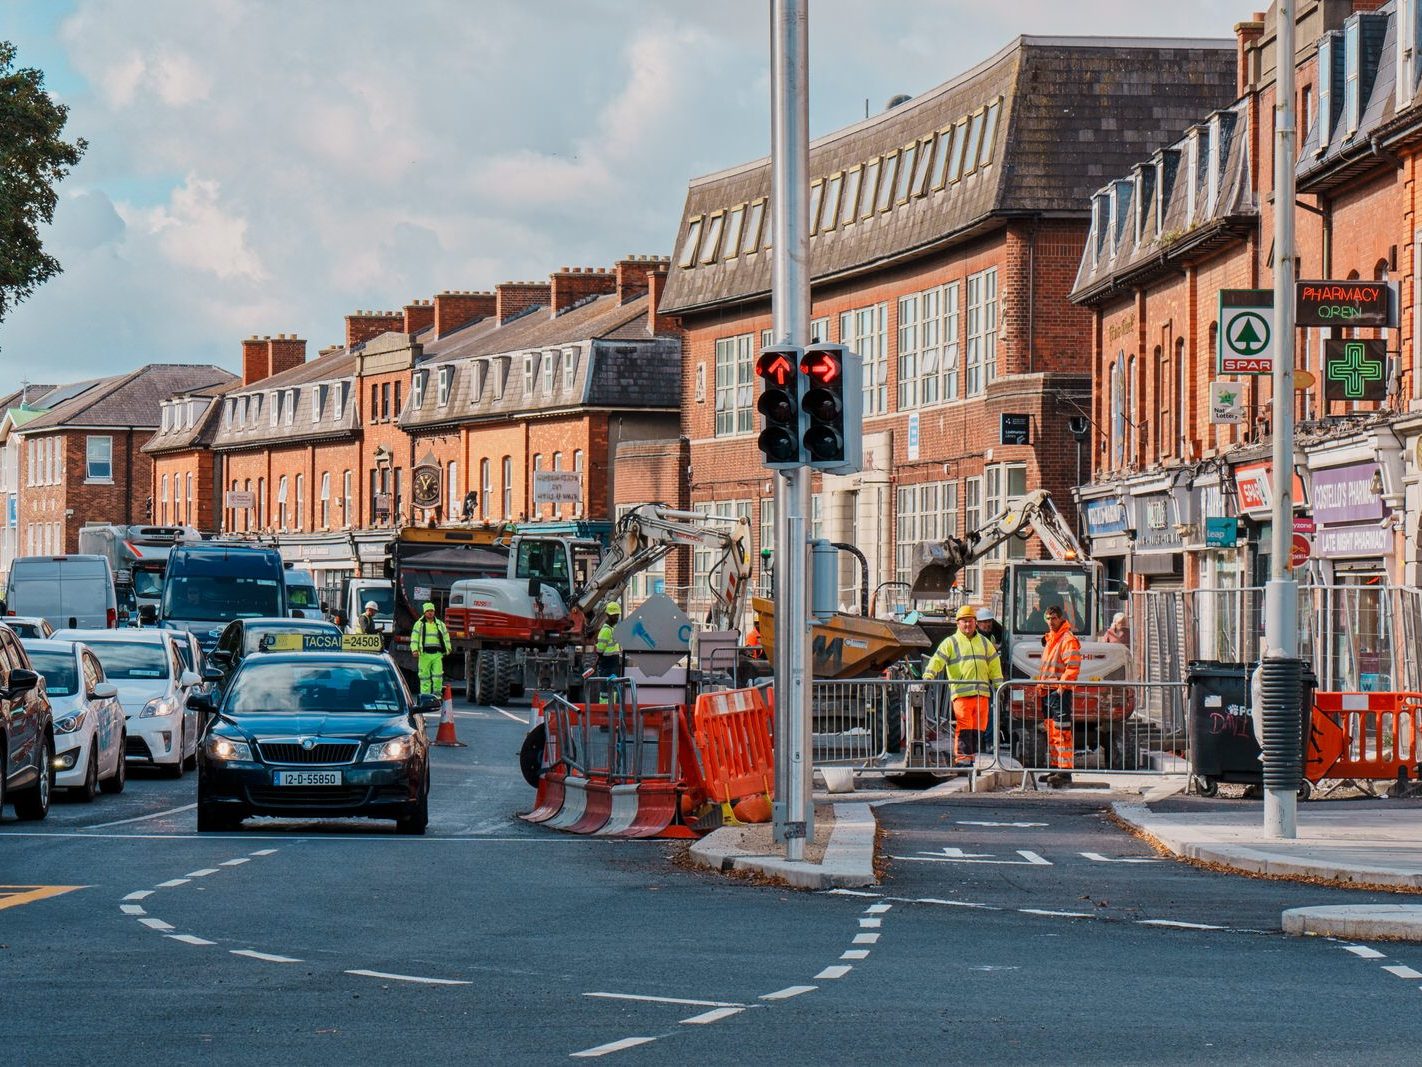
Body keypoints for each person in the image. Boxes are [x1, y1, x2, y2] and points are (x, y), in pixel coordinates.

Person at [922, 604, 1003, 767]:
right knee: (965, 727)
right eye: (964, 621)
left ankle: (970, 759)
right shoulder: (950, 642)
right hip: (962, 693)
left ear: (975, 622)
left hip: (982, 693)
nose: (967, 624)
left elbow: (994, 664)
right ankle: (962, 760)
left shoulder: (984, 643)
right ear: (958, 623)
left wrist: (999, 685)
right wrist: (928, 676)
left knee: (977, 730)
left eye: (970, 621)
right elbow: (937, 660)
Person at [1037, 604, 1082, 785]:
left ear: (1061, 618)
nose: (1050, 622)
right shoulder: (1051, 639)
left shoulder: (1067, 639)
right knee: (1053, 733)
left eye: (1053, 618)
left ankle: (1065, 771)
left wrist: (1061, 689)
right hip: (1049, 692)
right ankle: (1056, 767)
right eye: (1047, 618)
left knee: (1062, 733)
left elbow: (1072, 667)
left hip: (1059, 693)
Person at [410, 601, 452, 696]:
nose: (430, 612)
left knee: (438, 676)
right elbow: (414, 638)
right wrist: (414, 649)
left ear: (434, 612)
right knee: (425, 677)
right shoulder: (419, 624)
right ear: (424, 612)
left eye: (432, 610)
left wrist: (448, 648)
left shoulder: (440, 624)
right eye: (428, 611)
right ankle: (426, 697)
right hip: (424, 654)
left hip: (437, 654)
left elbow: (446, 637)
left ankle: (437, 696)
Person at [594, 601, 622, 678]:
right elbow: (599, 651)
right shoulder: (606, 630)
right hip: (607, 664)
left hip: (613, 663)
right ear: (608, 615)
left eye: (617, 615)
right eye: (613, 615)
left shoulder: (612, 628)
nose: (616, 617)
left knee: (614, 687)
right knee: (606, 686)